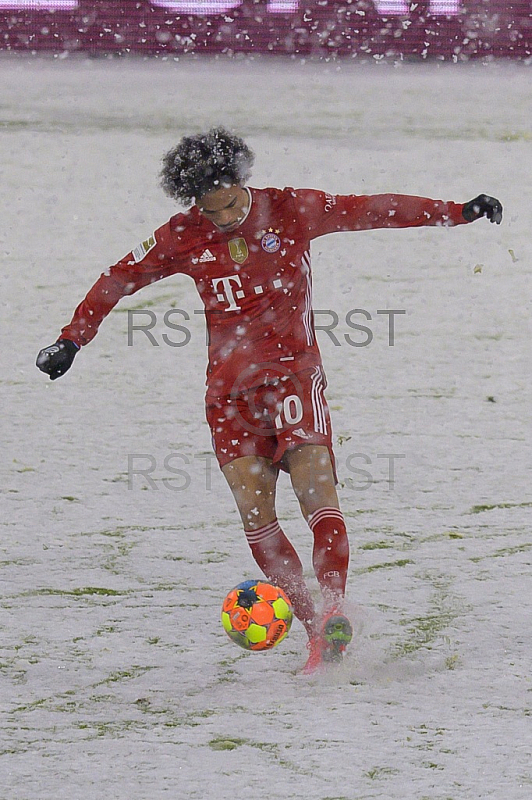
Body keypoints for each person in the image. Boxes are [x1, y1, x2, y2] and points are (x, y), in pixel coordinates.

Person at [36, 127, 502, 673]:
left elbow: (375, 209)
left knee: (317, 496)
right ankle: (313, 635)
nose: (228, 217)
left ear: (242, 181)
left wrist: (456, 211)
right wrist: (72, 338)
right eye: (214, 211)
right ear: (194, 201)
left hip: (294, 380)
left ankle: (334, 610)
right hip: (228, 397)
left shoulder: (290, 209)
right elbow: (119, 277)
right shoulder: (181, 235)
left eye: (233, 203)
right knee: (255, 516)